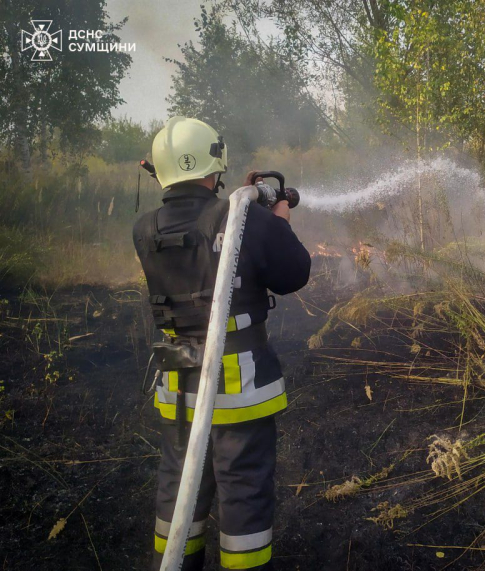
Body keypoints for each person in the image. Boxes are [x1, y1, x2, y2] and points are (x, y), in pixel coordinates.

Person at [132, 116, 311, 571]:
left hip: (179, 387)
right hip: (239, 389)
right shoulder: (240, 218)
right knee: (244, 495)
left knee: (180, 490)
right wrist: (279, 220)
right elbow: (294, 273)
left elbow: (198, 241)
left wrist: (249, 208)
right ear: (215, 167)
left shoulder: (144, 228)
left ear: (162, 170)